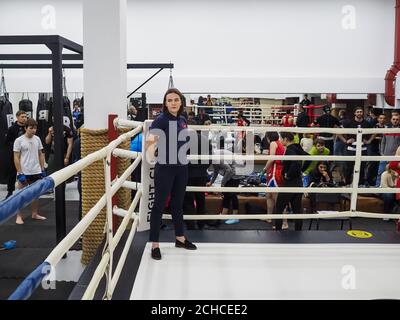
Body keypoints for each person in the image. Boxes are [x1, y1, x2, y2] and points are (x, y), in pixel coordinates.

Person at [145, 88, 196, 260]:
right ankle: (154, 244)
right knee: (159, 206)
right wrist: (155, 159)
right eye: (170, 100)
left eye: (176, 100)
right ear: (165, 103)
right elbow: (150, 143)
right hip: (165, 168)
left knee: (178, 204)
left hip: (181, 167)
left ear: (181, 101)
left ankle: (180, 238)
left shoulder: (183, 119)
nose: (173, 103)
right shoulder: (160, 120)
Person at [13, 118, 46, 224]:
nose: (33, 130)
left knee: (36, 195)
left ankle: (34, 213)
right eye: (31, 128)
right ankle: (18, 216)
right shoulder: (19, 140)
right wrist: (20, 172)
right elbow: (16, 157)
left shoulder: (37, 139)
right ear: (25, 128)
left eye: (35, 128)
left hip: (36, 171)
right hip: (24, 172)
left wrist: (42, 168)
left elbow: (41, 154)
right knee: (21, 195)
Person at [274, 132, 309, 231]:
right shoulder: (297, 148)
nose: (280, 141)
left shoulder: (290, 150)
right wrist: (301, 170)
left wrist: (289, 174)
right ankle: (298, 232)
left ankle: (278, 232)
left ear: (285, 139)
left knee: (279, 208)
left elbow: (296, 163)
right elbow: (309, 158)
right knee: (297, 211)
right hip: (298, 183)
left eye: (281, 138)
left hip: (290, 183)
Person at [338, 107, 373, 186]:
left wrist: (369, 140)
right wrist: (345, 140)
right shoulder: (349, 122)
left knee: (362, 168)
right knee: (348, 168)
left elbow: (374, 131)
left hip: (362, 148)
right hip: (351, 149)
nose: (359, 113)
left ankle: (360, 184)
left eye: (361, 112)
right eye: (358, 112)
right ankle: (347, 184)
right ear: (355, 113)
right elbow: (338, 131)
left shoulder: (367, 123)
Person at [262, 132, 287, 229]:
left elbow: (272, 158)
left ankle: (285, 223)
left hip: (275, 173)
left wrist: (264, 169)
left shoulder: (273, 143)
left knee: (278, 199)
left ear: (268, 137)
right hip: (274, 171)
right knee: (269, 195)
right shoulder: (280, 144)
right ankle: (269, 217)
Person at [4, 110, 27, 199]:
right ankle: (10, 192)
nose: (24, 118)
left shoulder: (27, 127)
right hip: (15, 154)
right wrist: (16, 145)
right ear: (17, 117)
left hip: (26, 154)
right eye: (22, 117)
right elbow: (7, 142)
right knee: (12, 173)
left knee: (26, 172)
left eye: (25, 117)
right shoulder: (12, 128)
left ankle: (26, 191)